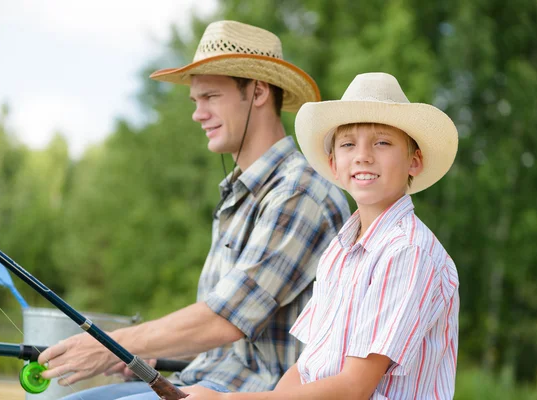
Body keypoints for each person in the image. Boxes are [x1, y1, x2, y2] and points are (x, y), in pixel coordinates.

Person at [38, 20, 350, 399]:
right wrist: (146, 351)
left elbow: (224, 319)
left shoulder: (300, 192)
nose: (197, 113)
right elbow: (221, 337)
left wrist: (110, 344)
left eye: (211, 97)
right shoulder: (241, 194)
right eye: (196, 100)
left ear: (258, 91)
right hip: (202, 382)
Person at [183, 72, 460, 399]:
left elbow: (355, 387)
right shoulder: (339, 251)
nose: (363, 156)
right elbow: (307, 367)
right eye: (347, 144)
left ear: (414, 161)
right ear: (333, 164)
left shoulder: (407, 251)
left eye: (382, 142)